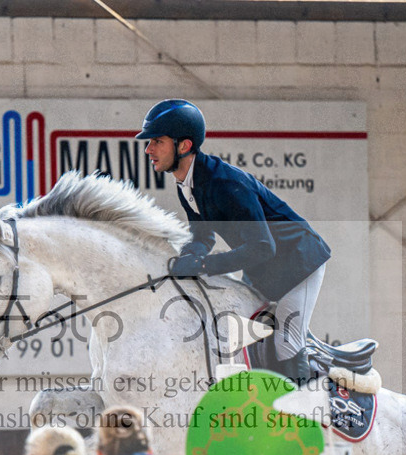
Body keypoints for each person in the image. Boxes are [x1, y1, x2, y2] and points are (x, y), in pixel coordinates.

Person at [136, 98, 332, 382]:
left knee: (287, 342)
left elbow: (263, 246)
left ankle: (302, 416)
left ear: (184, 146)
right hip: (264, 268)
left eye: (157, 141)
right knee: (245, 336)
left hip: (299, 263)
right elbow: (203, 233)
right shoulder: (187, 183)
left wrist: (202, 265)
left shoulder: (226, 184)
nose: (148, 149)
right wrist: (189, 255)